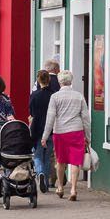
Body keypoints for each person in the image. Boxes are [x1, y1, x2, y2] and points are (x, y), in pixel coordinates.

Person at [42, 71, 91, 200]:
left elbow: (50, 118)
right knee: (75, 161)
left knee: (60, 160)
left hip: (60, 133)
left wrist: (45, 136)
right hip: (76, 131)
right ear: (71, 81)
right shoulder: (79, 96)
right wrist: (88, 136)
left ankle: (60, 187)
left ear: (59, 82)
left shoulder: (55, 97)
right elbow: (86, 118)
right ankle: (74, 189)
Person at [28, 70, 56, 191]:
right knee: (47, 156)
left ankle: (40, 174)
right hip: (51, 129)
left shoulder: (34, 95)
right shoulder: (54, 95)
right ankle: (45, 182)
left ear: (38, 80)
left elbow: (31, 113)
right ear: (49, 80)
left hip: (38, 128)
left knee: (38, 155)